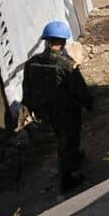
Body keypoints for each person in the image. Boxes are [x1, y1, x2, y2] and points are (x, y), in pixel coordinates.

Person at [22, 21, 93, 194]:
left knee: (61, 136)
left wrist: (30, 107)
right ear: (63, 41)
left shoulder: (32, 62)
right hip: (67, 110)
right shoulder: (66, 64)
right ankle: (67, 179)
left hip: (45, 110)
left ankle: (74, 158)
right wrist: (88, 104)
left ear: (46, 40)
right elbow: (79, 88)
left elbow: (27, 88)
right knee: (68, 139)